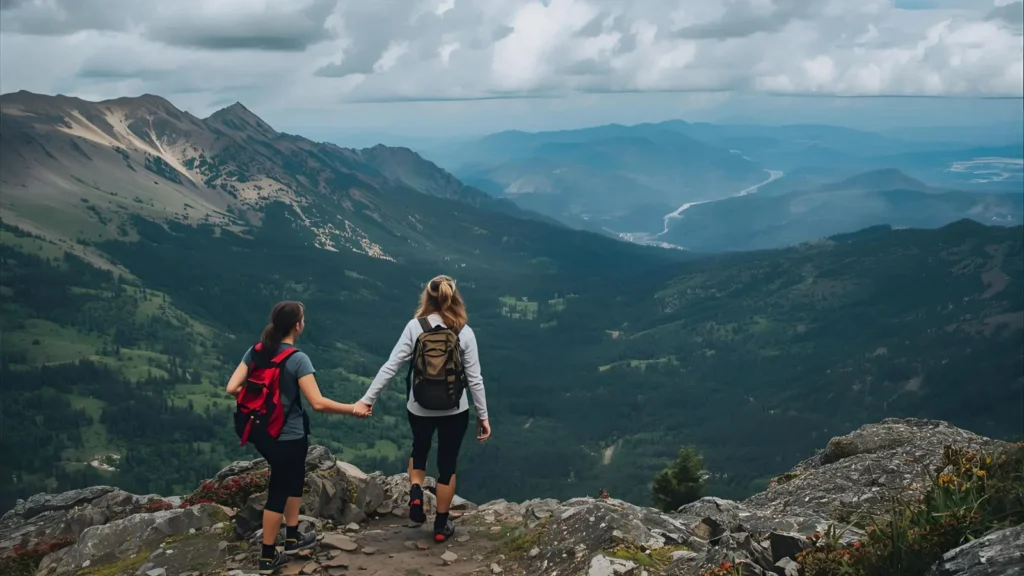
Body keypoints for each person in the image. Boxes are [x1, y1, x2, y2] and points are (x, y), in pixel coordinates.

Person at [226, 301, 369, 574]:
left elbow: (232, 387)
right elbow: (318, 403)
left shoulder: (256, 351)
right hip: (289, 435)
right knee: (280, 489)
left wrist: (260, 403)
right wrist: (353, 408)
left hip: (262, 434)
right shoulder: (297, 358)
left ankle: (292, 537)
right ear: (297, 325)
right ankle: (268, 556)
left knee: (293, 479)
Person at [353, 275, 490, 543]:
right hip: (455, 409)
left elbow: (391, 366)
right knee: (447, 463)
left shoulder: (415, 327)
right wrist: (483, 416)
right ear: (455, 298)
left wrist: (367, 399)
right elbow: (475, 379)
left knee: (419, 448)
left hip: (419, 407)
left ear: (427, 298)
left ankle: (416, 491)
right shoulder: (465, 331)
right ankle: (440, 525)